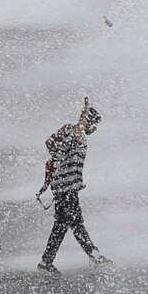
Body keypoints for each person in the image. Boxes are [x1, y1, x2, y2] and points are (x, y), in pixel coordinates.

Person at [37, 97, 110, 274]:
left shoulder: (70, 131)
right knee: (70, 223)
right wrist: (83, 120)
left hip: (64, 186)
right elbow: (61, 142)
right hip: (66, 187)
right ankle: (91, 255)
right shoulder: (75, 132)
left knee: (67, 223)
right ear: (88, 122)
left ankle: (49, 261)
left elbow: (51, 143)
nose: (94, 129)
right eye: (93, 124)